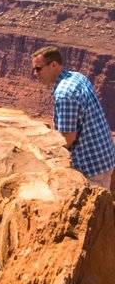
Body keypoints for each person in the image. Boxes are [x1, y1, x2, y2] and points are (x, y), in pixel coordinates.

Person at [32, 47, 115, 191]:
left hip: (90, 168)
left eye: (38, 68)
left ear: (53, 65)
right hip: (104, 157)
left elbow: (67, 139)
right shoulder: (77, 76)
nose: (35, 74)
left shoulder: (65, 94)